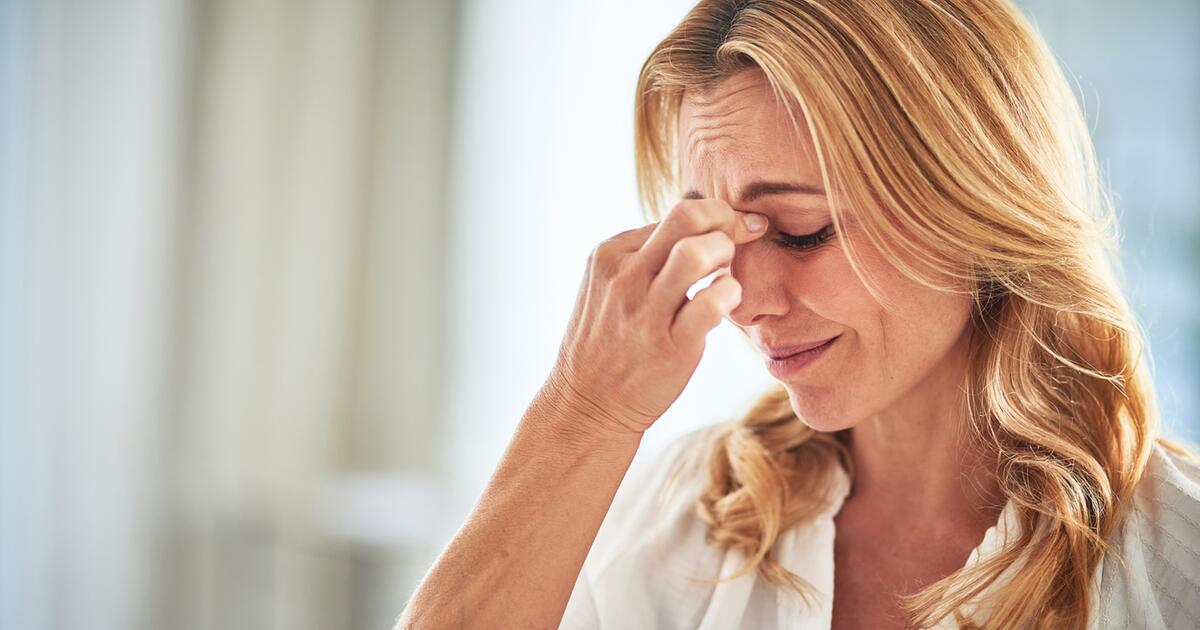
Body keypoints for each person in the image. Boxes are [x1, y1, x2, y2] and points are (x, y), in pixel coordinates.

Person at [397, 0, 1200, 628]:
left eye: (801, 231)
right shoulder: (687, 512)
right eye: (713, 234)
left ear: (975, 201)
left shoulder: (1178, 557)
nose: (741, 301)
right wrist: (581, 411)